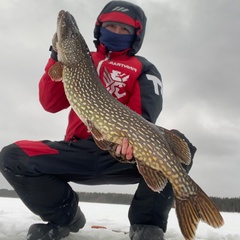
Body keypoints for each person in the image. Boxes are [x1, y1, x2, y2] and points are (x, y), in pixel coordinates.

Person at [0, 1, 197, 240]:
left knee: (177, 148)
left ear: (136, 34)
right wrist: (56, 56)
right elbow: (50, 104)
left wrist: (125, 147)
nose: (116, 32)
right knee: (12, 157)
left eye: (124, 29)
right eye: (111, 25)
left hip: (123, 156)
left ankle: (147, 225)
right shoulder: (79, 62)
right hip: (77, 150)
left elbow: (143, 117)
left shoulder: (143, 68)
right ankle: (64, 217)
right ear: (99, 28)